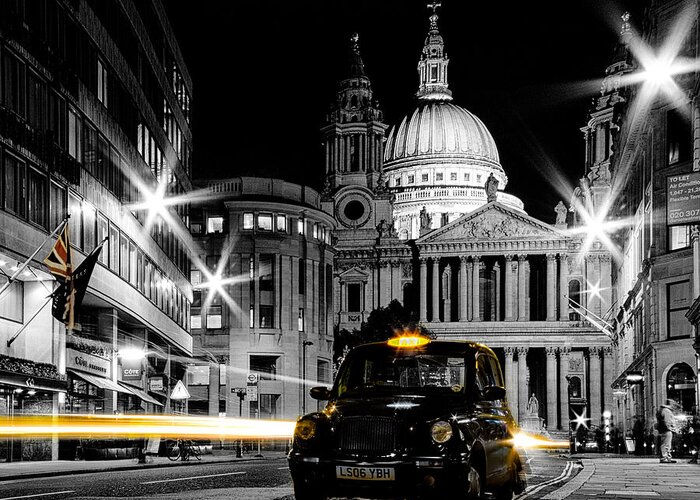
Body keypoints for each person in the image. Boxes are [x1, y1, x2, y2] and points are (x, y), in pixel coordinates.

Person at [656, 399, 677, 463]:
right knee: (666, 444)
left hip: (665, 429)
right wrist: (670, 428)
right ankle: (664, 457)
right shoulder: (666, 410)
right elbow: (667, 420)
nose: (674, 405)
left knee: (667, 444)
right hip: (666, 430)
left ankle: (667, 457)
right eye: (673, 404)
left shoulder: (664, 410)